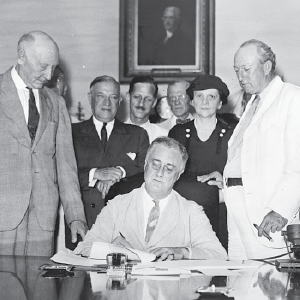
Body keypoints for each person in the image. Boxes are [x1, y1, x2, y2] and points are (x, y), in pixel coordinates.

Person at [0, 30, 87, 256]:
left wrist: (75, 216)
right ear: (21, 56)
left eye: (53, 67)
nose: (49, 75)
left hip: (43, 219)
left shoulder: (56, 103)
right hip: (3, 214)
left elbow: (67, 167)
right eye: (42, 66)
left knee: (41, 287)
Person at [74, 137, 227, 261]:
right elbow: (83, 248)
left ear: (179, 175)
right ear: (145, 164)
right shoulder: (117, 205)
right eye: (155, 164)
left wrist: (184, 252)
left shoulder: (191, 211)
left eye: (169, 168)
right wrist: (111, 250)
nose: (160, 173)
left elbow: (219, 254)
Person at [224, 39, 300, 260]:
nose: (240, 77)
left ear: (266, 67)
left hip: (269, 214)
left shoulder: (292, 98)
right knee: (241, 284)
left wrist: (281, 209)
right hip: (238, 212)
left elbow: (298, 163)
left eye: (246, 69)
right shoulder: (252, 104)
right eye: (237, 70)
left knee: (270, 285)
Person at [69, 75, 149, 238]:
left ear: (119, 101)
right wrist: (94, 174)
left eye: (113, 97)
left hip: (125, 227)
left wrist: (119, 172)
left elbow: (145, 173)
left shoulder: (137, 134)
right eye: (100, 96)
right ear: (90, 98)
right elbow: (61, 175)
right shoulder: (71, 133)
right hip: (84, 222)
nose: (107, 103)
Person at [168, 75, 232, 249]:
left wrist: (224, 180)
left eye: (211, 97)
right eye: (199, 96)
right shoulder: (177, 133)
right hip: (183, 215)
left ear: (219, 103)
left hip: (220, 215)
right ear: (192, 101)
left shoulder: (231, 135)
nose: (205, 102)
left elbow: (240, 176)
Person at [125, 76, 168, 143]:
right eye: (137, 97)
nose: (141, 104)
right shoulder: (113, 134)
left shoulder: (164, 137)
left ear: (154, 103)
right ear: (128, 97)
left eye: (148, 99)